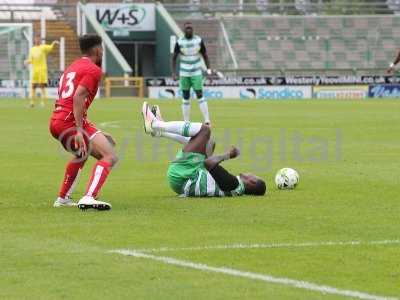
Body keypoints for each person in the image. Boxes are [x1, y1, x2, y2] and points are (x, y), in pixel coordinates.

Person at [49, 34, 118, 210]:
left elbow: (67, 98)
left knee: (83, 153)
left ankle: (63, 199)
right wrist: (80, 130)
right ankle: (89, 197)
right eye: (101, 48)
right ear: (96, 49)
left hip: (58, 119)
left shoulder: (72, 67)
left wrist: (93, 130)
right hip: (69, 122)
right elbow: (78, 96)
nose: (102, 52)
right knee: (109, 156)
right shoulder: (93, 69)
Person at [142, 102, 266, 197]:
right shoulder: (235, 188)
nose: (250, 173)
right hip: (190, 177)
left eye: (253, 176)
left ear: (252, 182)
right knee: (210, 143)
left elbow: (208, 163)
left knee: (204, 130)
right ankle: (160, 132)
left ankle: (155, 124)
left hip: (183, 177)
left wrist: (228, 155)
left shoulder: (234, 184)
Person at [171, 22, 213, 125]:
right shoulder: (179, 42)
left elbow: (205, 55)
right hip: (184, 73)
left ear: (193, 30)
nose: (189, 30)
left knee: (200, 94)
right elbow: (174, 57)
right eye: (187, 28)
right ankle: (186, 121)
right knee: (185, 96)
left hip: (196, 72)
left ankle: (207, 120)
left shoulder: (198, 40)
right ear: (184, 30)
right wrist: (173, 72)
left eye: (190, 28)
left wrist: (209, 70)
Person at [25, 35, 59, 107]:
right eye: (36, 39)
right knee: (33, 86)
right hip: (35, 70)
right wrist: (27, 61)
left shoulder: (43, 47)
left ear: (40, 40)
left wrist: (53, 43)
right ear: (34, 40)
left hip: (42, 70)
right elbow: (31, 59)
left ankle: (43, 102)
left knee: (42, 86)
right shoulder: (32, 49)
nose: (37, 40)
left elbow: (50, 47)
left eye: (38, 39)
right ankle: (32, 103)